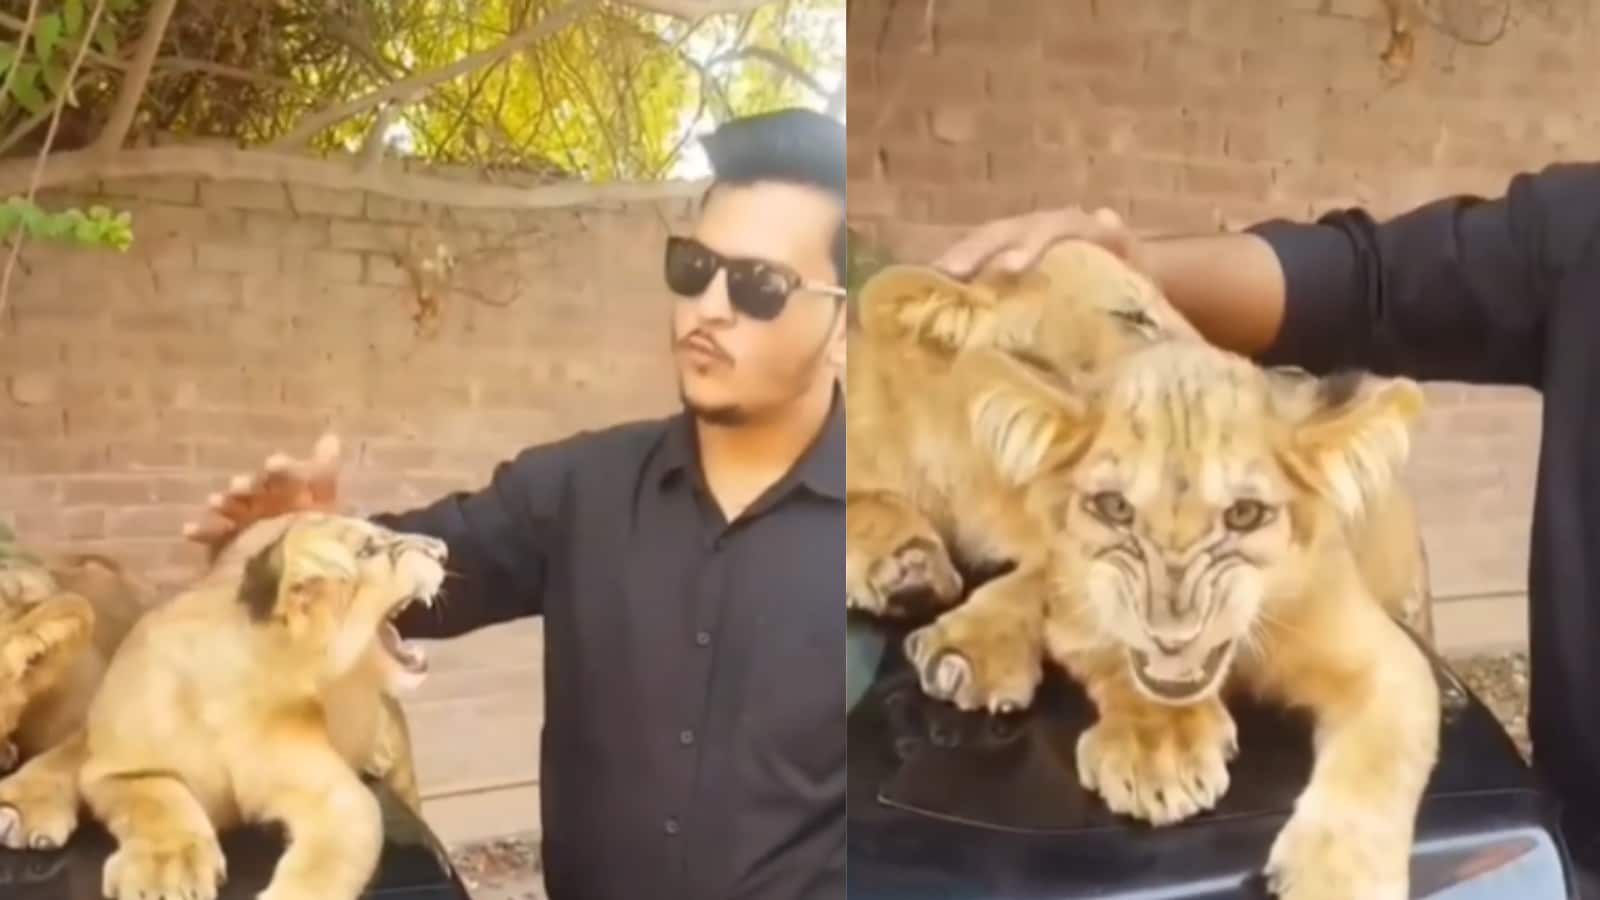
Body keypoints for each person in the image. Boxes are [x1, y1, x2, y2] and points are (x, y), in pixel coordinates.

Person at [181, 108, 847, 900]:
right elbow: (400, 577)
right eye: (693, 267)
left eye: (758, 285)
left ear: (845, 324)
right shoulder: (579, 491)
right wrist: (299, 539)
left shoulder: (903, 538)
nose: (708, 306)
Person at [929, 161, 1600, 882]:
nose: (1174, 615)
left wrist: (1351, 848)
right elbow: (1365, 279)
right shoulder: (1582, 228)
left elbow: (1387, 686)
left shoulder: (1315, 551)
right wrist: (1129, 273)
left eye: (1244, 512)